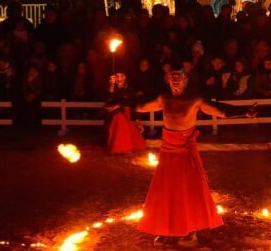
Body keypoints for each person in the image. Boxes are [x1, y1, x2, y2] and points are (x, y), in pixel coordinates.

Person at [135, 68, 252, 247]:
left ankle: (190, 232)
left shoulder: (194, 100)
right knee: (166, 189)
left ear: (186, 79)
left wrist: (244, 111)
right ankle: (168, 229)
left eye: (179, 77)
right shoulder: (163, 98)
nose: (175, 80)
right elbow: (140, 107)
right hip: (167, 149)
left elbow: (219, 110)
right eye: (172, 77)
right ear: (167, 79)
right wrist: (122, 96)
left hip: (185, 149)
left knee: (188, 189)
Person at [103, 73, 146, 154]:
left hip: (127, 114)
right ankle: (117, 147)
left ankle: (125, 147)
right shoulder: (111, 87)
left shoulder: (129, 88)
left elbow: (132, 102)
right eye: (117, 76)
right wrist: (111, 85)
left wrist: (137, 119)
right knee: (118, 118)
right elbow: (108, 99)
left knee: (122, 119)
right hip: (114, 115)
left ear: (125, 77)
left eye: (122, 76)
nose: (119, 78)